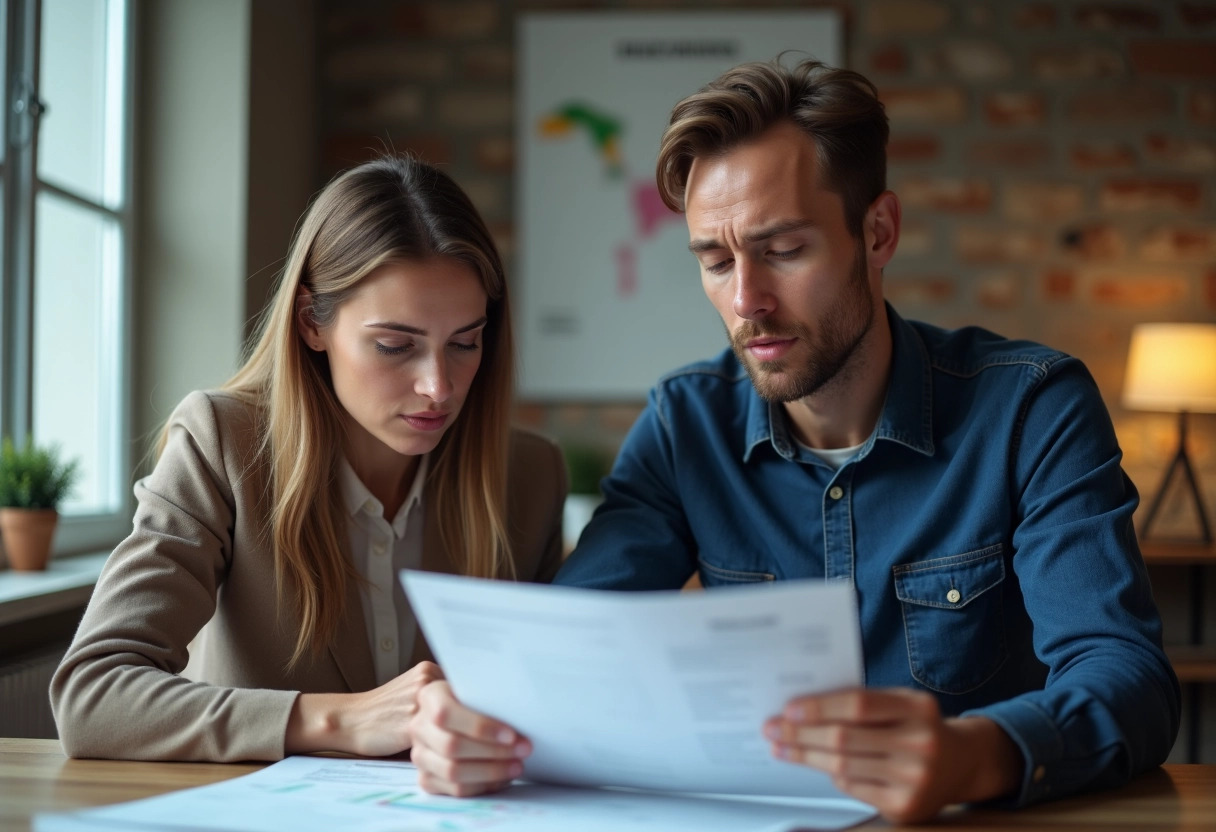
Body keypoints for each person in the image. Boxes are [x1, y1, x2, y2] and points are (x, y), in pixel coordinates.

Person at [405, 59, 1181, 822]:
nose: (747, 301)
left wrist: (972, 756)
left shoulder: (1031, 409)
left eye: (783, 251)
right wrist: (471, 728)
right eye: (715, 261)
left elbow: (1128, 677)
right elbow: (566, 658)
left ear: (877, 233)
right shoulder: (685, 425)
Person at [51, 156, 567, 762]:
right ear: (311, 324)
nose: (439, 386)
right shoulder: (222, 442)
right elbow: (92, 696)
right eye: (395, 345)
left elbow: (550, 703)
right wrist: (341, 721)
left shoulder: (529, 476)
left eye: (464, 342)